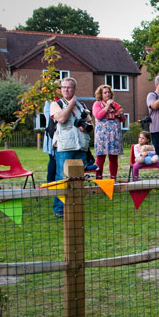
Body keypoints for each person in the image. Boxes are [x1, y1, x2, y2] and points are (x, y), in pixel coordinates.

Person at [50, 77, 93, 218]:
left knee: (78, 178)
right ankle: (59, 208)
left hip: (80, 146)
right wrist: (70, 105)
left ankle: (76, 204)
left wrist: (86, 128)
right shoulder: (56, 104)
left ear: (74, 89)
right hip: (64, 146)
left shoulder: (81, 106)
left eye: (69, 87)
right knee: (62, 177)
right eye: (63, 87)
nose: (66, 90)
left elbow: (90, 123)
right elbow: (61, 119)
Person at [92, 84, 125, 180]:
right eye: (105, 92)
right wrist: (107, 106)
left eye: (109, 92)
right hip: (102, 135)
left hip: (114, 135)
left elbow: (123, 119)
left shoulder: (115, 105)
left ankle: (113, 179)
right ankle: (98, 180)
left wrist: (121, 114)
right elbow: (98, 116)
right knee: (100, 158)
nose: (108, 94)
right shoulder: (97, 104)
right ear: (100, 94)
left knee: (114, 158)